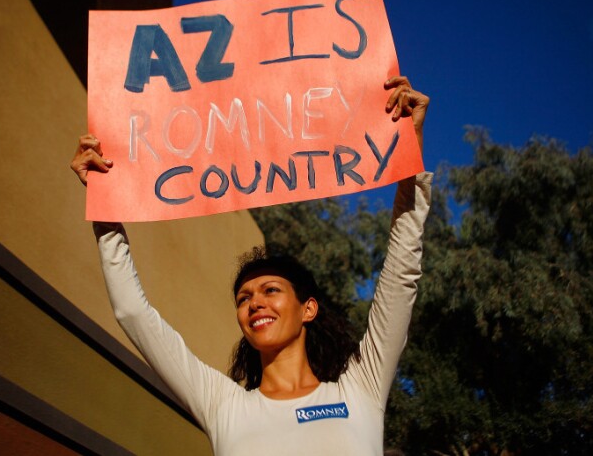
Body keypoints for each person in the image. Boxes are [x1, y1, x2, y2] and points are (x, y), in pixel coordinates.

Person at [71, 76, 431, 455]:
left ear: (308, 308)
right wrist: (106, 208)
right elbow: (132, 313)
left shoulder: (361, 389)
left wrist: (411, 149)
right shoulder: (222, 405)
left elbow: (401, 272)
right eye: (243, 298)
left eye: (270, 290)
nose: (254, 303)